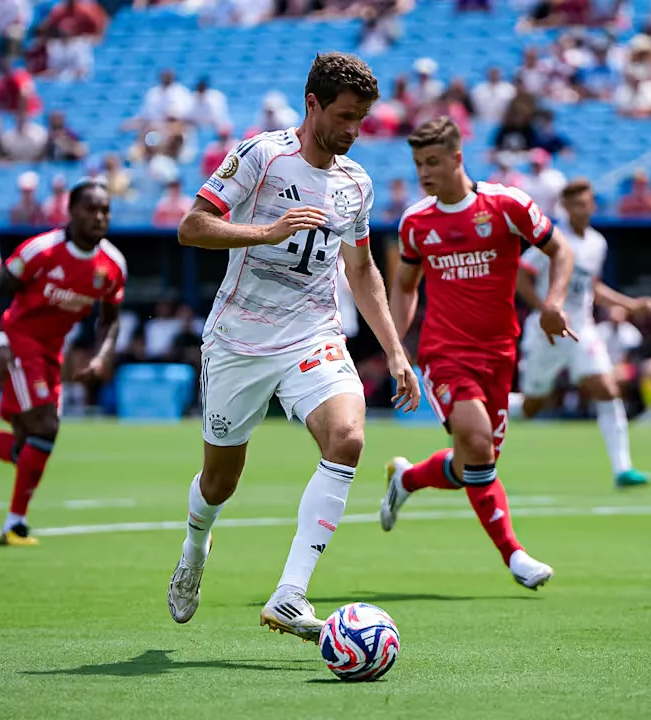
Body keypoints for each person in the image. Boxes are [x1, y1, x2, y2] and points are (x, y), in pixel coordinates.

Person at [167, 52, 420, 640]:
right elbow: (191, 226)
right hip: (240, 341)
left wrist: (395, 350)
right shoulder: (262, 155)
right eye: (345, 116)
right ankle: (195, 545)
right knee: (219, 482)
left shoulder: (356, 183)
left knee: (348, 437)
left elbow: (361, 270)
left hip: (313, 333)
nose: (353, 131)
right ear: (312, 104)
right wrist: (268, 230)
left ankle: (289, 594)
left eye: (362, 119)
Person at [381, 116, 574, 590]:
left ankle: (405, 480)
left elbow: (561, 250)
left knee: (474, 466)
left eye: (432, 162)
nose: (424, 172)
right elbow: (406, 286)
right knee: (477, 441)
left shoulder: (506, 205)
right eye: (418, 164)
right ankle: (515, 556)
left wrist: (553, 303)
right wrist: (394, 347)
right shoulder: (416, 222)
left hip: (500, 354)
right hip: (445, 353)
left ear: (457, 159)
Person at [0, 180, 125, 545]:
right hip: (18, 341)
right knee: (46, 427)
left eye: (105, 210)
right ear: (71, 211)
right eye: (91, 209)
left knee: (27, 446)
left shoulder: (112, 264)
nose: (99, 217)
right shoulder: (42, 251)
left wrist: (102, 356)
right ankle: (15, 525)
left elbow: (110, 317)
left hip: (51, 351)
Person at [514, 179, 651, 487]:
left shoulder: (597, 243)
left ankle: (623, 469)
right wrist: (545, 309)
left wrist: (629, 304)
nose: (583, 208)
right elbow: (520, 275)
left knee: (606, 388)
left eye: (587, 202)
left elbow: (592, 286)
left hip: (582, 330)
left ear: (593, 205)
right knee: (531, 406)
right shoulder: (553, 239)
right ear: (564, 207)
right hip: (547, 332)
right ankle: (478, 412)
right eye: (575, 203)